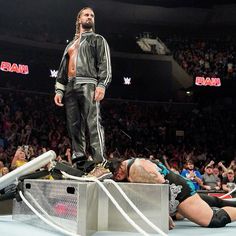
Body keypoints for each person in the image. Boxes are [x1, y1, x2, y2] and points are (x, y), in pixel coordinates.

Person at [54, 7, 112, 179]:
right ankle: (79, 162)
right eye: (86, 15)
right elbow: (62, 70)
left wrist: (102, 84)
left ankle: (100, 163)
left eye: (92, 15)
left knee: (92, 122)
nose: (90, 17)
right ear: (79, 19)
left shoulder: (98, 40)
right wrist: (59, 89)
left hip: (89, 83)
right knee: (74, 126)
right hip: (70, 86)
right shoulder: (70, 45)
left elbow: (105, 64)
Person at [110, 158, 236, 228]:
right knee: (206, 203)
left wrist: (164, 213)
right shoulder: (129, 165)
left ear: (121, 165)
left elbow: (162, 184)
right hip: (176, 191)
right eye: (115, 176)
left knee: (215, 220)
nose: (118, 176)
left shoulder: (135, 168)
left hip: (178, 193)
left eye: (117, 173)